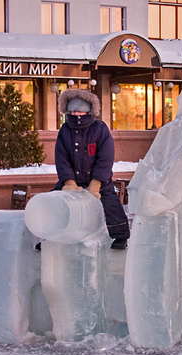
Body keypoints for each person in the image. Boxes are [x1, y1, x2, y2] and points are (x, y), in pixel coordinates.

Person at [54, 89, 130, 249]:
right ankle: (50, 236)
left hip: (99, 181)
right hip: (72, 181)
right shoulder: (64, 131)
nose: (76, 113)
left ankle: (120, 235)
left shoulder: (100, 129)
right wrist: (68, 181)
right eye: (73, 109)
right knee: (55, 202)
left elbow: (105, 158)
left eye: (79, 109)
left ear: (89, 110)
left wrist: (97, 182)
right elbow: (62, 159)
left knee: (111, 205)